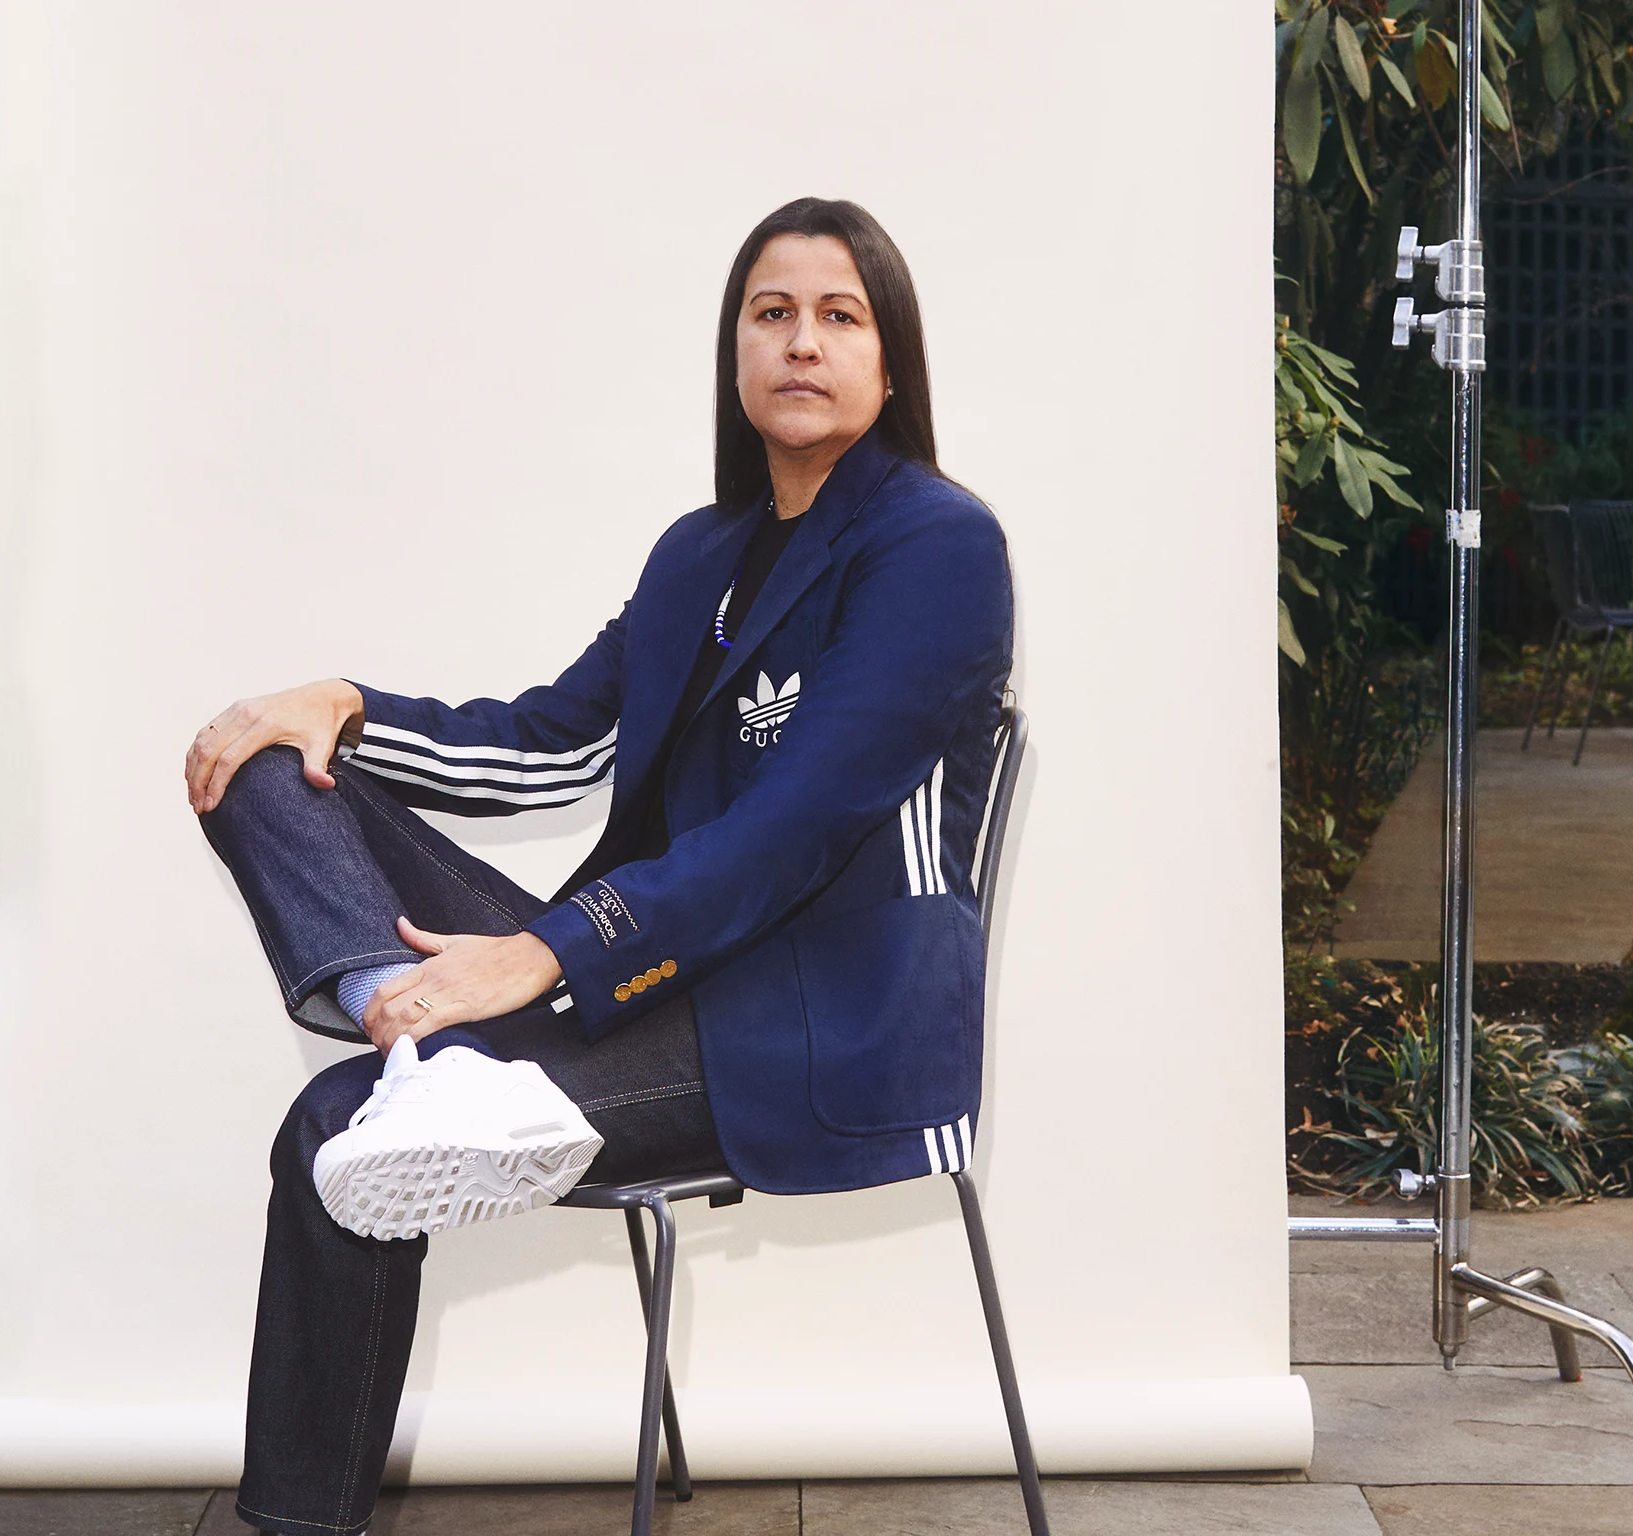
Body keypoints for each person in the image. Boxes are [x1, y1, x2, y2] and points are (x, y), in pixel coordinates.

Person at [185, 196, 1014, 1536]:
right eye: (772, 312)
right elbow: (543, 749)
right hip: (642, 971)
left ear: (890, 361)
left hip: (812, 1015)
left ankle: (408, 1087)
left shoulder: (937, 543)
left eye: (838, 315)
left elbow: (795, 828)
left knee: (333, 1132)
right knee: (267, 761)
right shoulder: (701, 555)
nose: (802, 341)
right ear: (736, 352)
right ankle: (387, 1025)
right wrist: (339, 702)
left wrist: (545, 952)